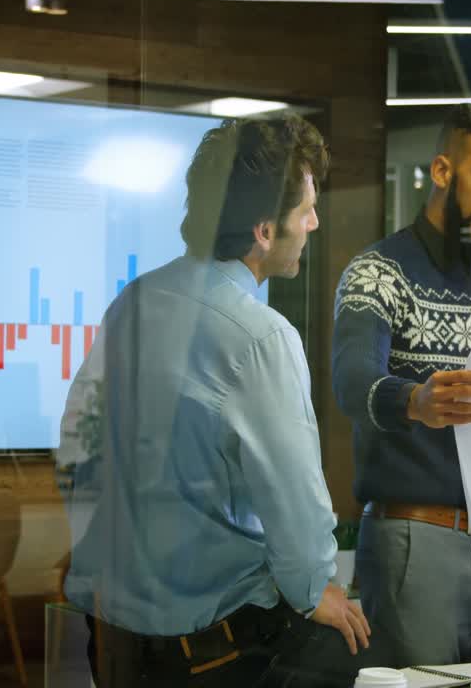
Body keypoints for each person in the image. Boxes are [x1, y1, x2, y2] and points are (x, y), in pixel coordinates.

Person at [56, 116, 379, 687]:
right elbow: (295, 504)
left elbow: (76, 446)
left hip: (113, 640)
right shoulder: (261, 337)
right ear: (263, 230)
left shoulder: (132, 303)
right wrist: (313, 587)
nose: (313, 222)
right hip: (213, 654)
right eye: (304, 210)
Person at [331, 104, 471, 666]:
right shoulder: (378, 272)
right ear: (443, 172)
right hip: (414, 538)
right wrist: (416, 400)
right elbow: (352, 383)